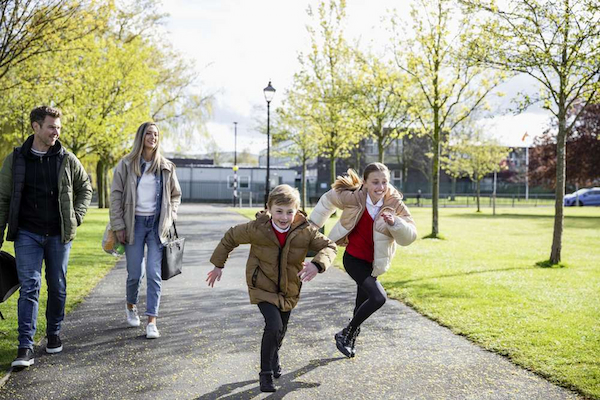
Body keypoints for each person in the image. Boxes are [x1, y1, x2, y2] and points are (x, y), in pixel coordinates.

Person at [207, 184, 337, 393]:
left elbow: (329, 246)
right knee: (274, 325)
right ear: (269, 209)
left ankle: (274, 355)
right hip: (262, 286)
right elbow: (231, 236)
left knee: (281, 330)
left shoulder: (305, 231)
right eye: (279, 211)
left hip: (289, 289)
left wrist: (317, 264)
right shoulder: (258, 228)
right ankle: (265, 375)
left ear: (297, 211)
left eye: (289, 212)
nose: (284, 217)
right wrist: (218, 265)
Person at [0, 106, 92, 368]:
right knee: (30, 286)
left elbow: (85, 187)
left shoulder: (66, 158)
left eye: (59, 127)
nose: (56, 132)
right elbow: (3, 198)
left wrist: (76, 216)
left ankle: (53, 333)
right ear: (35, 127)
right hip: (27, 233)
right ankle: (25, 346)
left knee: (58, 286)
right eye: (51, 126)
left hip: (58, 234)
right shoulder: (16, 159)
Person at [309, 162, 417, 358]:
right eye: (375, 182)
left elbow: (410, 236)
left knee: (361, 304)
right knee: (378, 297)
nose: (380, 187)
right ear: (365, 182)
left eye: (384, 182)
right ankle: (345, 334)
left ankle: (350, 339)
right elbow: (327, 200)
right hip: (354, 258)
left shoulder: (394, 203)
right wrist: (313, 225)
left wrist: (395, 223)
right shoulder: (354, 197)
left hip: (373, 263)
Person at [110, 122, 181, 339]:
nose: (153, 137)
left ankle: (152, 321)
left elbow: (176, 195)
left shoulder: (166, 167)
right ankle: (131, 306)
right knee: (135, 273)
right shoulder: (126, 164)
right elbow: (115, 195)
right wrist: (118, 225)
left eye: (156, 134)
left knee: (153, 272)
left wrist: (170, 217)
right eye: (149, 133)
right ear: (141, 136)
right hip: (133, 224)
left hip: (157, 226)